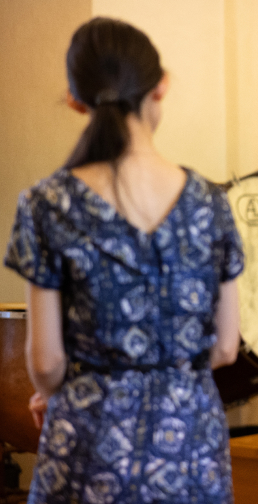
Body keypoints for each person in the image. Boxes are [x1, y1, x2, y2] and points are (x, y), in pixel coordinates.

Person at [4, 17, 244, 504]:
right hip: (190, 444)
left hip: (88, 440)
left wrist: (57, 391)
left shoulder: (46, 204)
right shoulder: (208, 203)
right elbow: (225, 348)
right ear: (161, 88)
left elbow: (46, 362)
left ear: (76, 100)